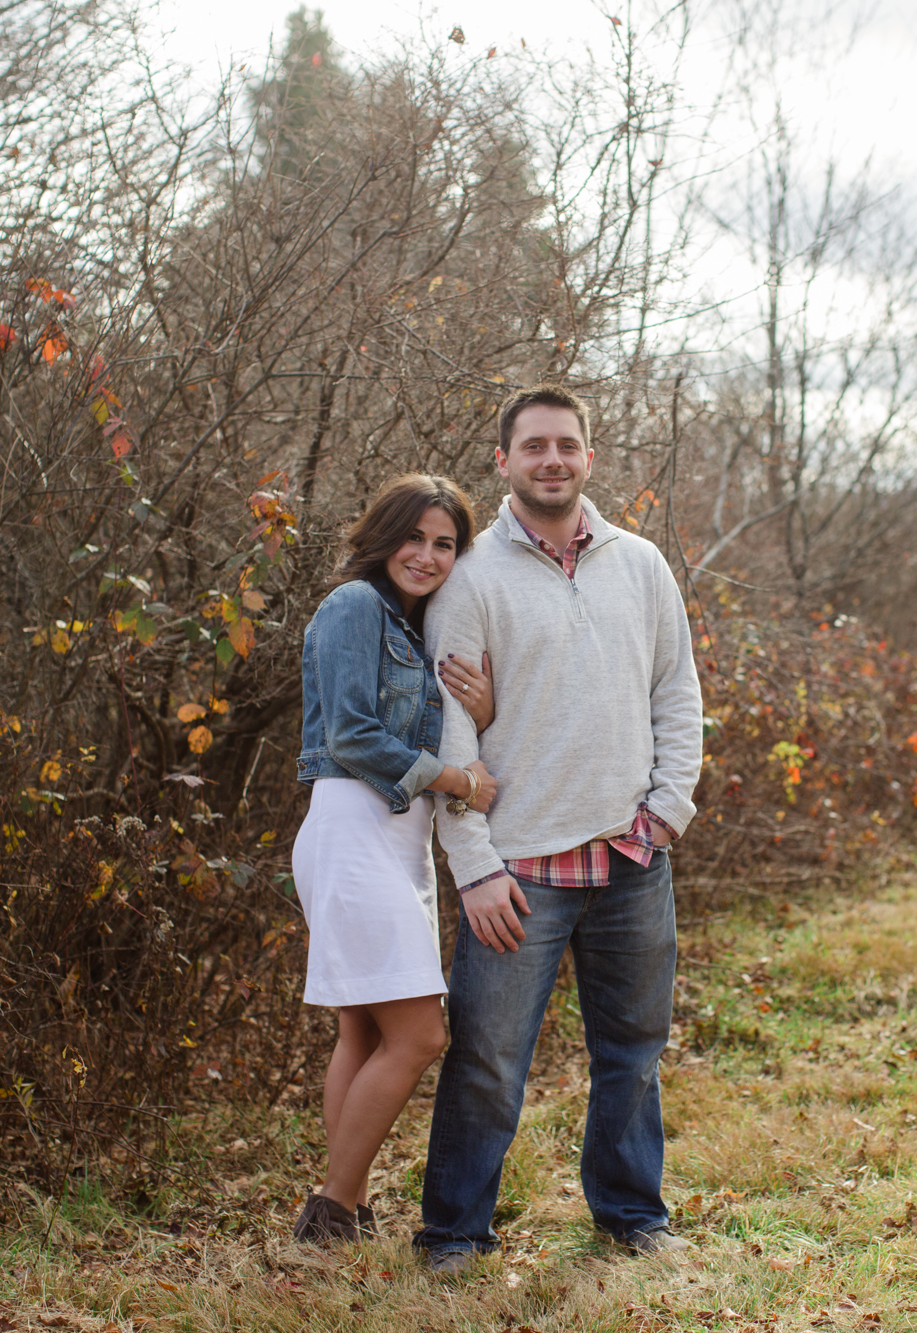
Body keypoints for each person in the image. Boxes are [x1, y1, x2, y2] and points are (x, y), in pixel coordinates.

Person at [415, 384, 705, 1271]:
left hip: (629, 857)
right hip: (519, 872)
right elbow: (447, 737)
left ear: (590, 456)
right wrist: (475, 867)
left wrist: (666, 813)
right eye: (533, 445)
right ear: (502, 461)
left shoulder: (642, 563)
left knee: (634, 1052)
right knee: (487, 1063)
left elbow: (677, 692)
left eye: (566, 445)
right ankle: (455, 1232)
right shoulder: (468, 579)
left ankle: (630, 1213)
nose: (552, 459)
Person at [289, 473, 499, 1245]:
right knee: (418, 1036)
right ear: (382, 535)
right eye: (414, 537)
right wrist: (458, 781)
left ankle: (347, 1205)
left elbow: (421, 722)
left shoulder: (410, 628)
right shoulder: (354, 606)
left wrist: (475, 714)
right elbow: (349, 733)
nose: (428, 555)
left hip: (394, 835)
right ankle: (333, 1207)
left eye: (445, 543)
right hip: (353, 827)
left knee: (365, 1033)